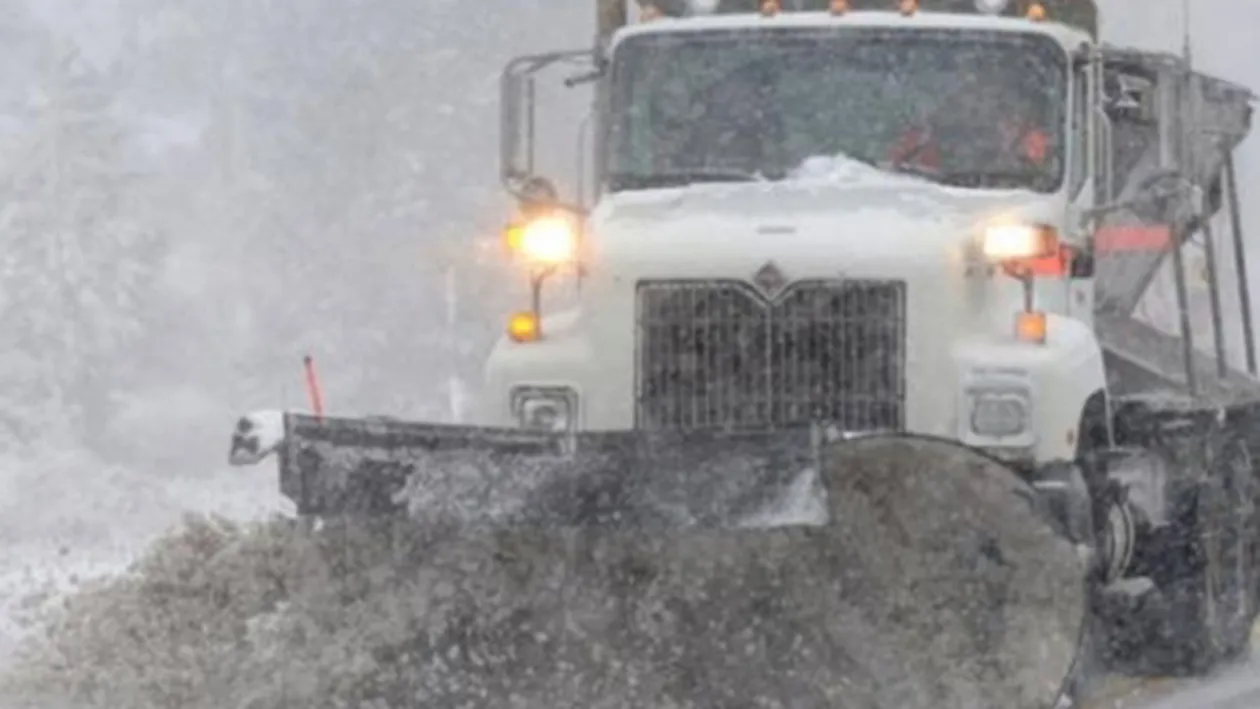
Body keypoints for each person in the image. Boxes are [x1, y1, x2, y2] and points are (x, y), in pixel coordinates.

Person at [886, 75, 1051, 177]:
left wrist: (1008, 161)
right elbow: (888, 174)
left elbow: (1040, 181)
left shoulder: (1025, 139)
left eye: (985, 98)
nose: (974, 107)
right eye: (964, 96)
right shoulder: (918, 142)